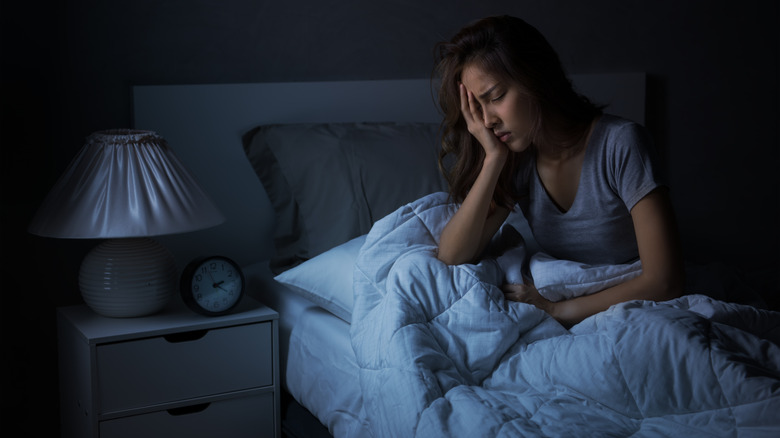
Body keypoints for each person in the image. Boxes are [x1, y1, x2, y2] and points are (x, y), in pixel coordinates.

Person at [433, 15, 684, 327]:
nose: (487, 121)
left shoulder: (620, 143)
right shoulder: (517, 161)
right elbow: (452, 256)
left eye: (495, 97)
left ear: (536, 78)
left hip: (635, 311)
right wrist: (493, 159)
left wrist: (556, 311)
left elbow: (666, 281)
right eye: (477, 110)